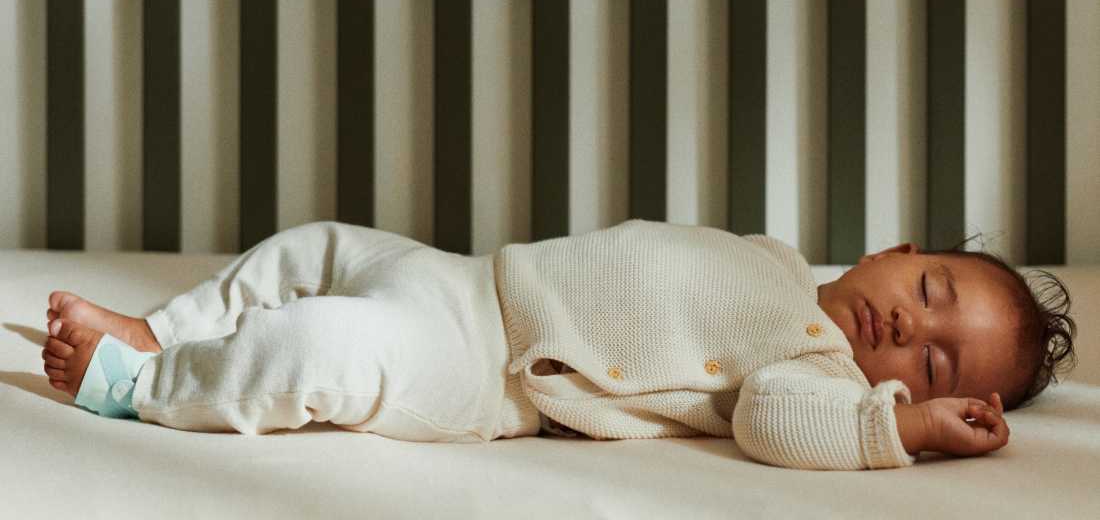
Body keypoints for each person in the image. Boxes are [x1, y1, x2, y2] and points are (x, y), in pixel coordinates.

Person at [41, 219, 1077, 469]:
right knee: (314, 246)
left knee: (319, 343)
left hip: (486, 371)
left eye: (932, 361)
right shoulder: (778, 258)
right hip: (467, 275)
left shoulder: (812, 375)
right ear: (893, 253)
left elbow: (770, 422)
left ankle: (137, 380)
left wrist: (897, 426)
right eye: (928, 292)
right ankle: (164, 324)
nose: (909, 326)